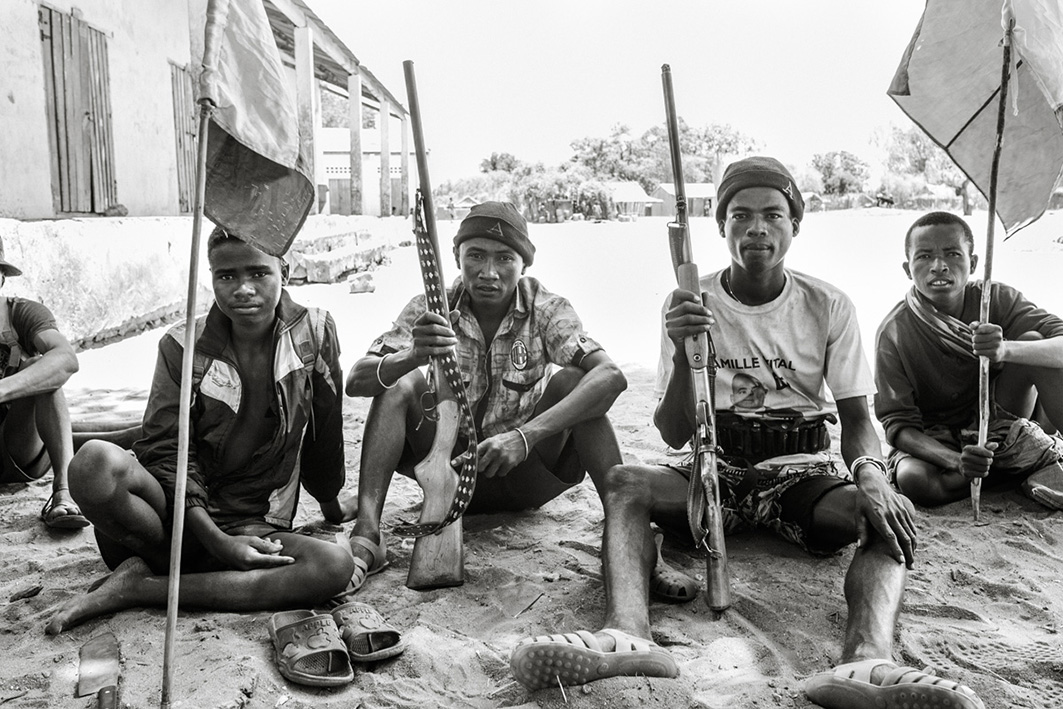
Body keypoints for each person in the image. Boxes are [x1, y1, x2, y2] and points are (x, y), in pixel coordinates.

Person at [510, 158, 985, 709]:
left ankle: (867, 659)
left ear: (794, 226)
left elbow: (857, 419)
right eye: (741, 215)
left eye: (772, 215)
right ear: (721, 227)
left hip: (801, 472)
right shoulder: (688, 302)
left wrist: (873, 475)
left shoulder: (828, 304)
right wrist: (691, 357)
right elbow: (670, 433)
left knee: (881, 510)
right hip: (715, 467)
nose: (756, 228)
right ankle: (627, 634)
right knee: (624, 482)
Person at [46, 227, 356, 634]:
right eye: (226, 276)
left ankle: (140, 588)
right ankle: (191, 569)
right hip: (165, 523)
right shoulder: (182, 345)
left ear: (285, 268)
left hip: (256, 523)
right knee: (92, 463)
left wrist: (331, 506)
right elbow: (165, 450)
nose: (243, 289)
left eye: (258, 273)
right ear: (210, 276)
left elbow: (325, 430)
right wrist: (215, 539)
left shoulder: (314, 332)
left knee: (333, 566)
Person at [344, 201, 626, 593]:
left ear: (524, 265)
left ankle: (629, 535)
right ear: (458, 257)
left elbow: (611, 376)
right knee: (402, 381)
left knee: (578, 382)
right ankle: (368, 533)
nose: (488, 272)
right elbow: (356, 381)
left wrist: (524, 437)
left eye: (504, 258)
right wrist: (411, 356)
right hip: (443, 473)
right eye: (475, 255)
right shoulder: (432, 305)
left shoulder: (547, 308)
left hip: (524, 473)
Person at [874, 211, 1063, 509]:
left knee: (1033, 345)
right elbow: (899, 427)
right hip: (941, 441)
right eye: (924, 256)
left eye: (952, 254)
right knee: (913, 479)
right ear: (907, 269)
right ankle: (1008, 470)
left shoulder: (997, 299)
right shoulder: (894, 332)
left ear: (973, 263)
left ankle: (1012, 464)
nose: (939, 267)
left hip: (1005, 420)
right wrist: (957, 460)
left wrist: (1006, 350)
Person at [0, 236, 86, 530]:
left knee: (44, 370)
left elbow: (66, 359)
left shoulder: (20, 313)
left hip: (17, 446)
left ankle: (64, 491)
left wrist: (2, 390)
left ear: (0, 278)